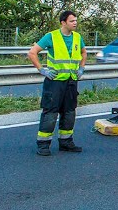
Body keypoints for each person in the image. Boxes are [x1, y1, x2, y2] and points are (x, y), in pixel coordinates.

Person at [28, 10, 85, 156]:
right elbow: (32, 53)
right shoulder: (51, 37)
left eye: (75, 20)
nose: (75, 23)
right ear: (63, 22)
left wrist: (81, 68)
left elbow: (84, 53)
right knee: (50, 113)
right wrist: (42, 70)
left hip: (71, 82)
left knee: (69, 112)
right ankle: (43, 145)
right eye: (72, 21)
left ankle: (66, 142)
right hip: (55, 82)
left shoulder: (77, 37)